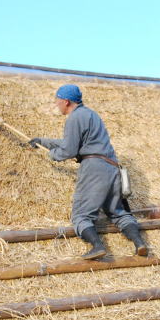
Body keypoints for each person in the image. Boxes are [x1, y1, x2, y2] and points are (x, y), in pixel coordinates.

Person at [29, 84, 148, 260]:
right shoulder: (91, 115)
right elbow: (74, 142)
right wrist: (43, 141)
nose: (56, 104)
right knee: (118, 213)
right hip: (112, 167)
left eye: (57, 101)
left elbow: (69, 150)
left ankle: (97, 246)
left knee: (80, 215)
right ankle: (140, 243)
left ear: (66, 101)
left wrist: (52, 154)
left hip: (94, 169)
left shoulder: (74, 118)